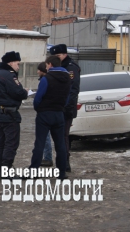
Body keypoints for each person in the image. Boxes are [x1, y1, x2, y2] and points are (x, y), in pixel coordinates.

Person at [29, 56, 71, 179]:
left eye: (46, 65)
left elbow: (38, 98)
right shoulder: (68, 78)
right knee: (60, 144)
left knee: (40, 143)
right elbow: (67, 97)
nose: (46, 67)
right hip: (59, 114)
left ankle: (33, 172)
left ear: (50, 64)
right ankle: (61, 172)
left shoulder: (46, 79)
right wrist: (60, 107)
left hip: (45, 114)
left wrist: (39, 109)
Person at [0, 51, 28, 179]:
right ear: (10, 63)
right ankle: (6, 171)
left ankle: (0, 169)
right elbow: (18, 92)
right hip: (10, 114)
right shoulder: (8, 75)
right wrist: (25, 92)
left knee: (2, 143)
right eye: (17, 64)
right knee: (11, 143)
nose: (18, 67)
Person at [49, 43, 81, 172]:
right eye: (54, 56)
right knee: (57, 136)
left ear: (65, 55)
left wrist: (67, 107)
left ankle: (65, 162)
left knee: (63, 136)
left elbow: (73, 90)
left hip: (65, 108)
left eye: (58, 55)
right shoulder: (55, 67)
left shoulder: (70, 68)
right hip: (55, 108)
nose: (56, 58)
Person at [37, 62, 54, 167]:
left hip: (45, 112)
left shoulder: (45, 80)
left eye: (39, 70)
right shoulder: (52, 79)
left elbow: (40, 97)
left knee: (45, 136)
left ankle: (47, 158)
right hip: (54, 111)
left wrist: (38, 107)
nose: (38, 71)